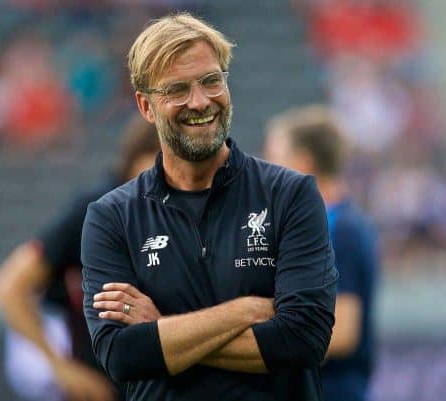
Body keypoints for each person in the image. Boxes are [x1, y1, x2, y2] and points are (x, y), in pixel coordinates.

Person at [80, 12, 338, 401]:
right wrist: (247, 311)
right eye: (177, 89)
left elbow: (303, 339)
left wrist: (162, 329)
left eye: (211, 81)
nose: (200, 102)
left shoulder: (291, 194)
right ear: (146, 107)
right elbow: (122, 354)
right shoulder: (111, 217)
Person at [0, 114, 160, 401]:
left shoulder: (182, 214)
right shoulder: (95, 211)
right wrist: (60, 367)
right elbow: (10, 286)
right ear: (137, 160)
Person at [264, 105, 380, 401]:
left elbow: (342, 332)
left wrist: (258, 349)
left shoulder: (341, 230)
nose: (265, 169)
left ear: (302, 162)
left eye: (274, 157)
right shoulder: (315, 225)